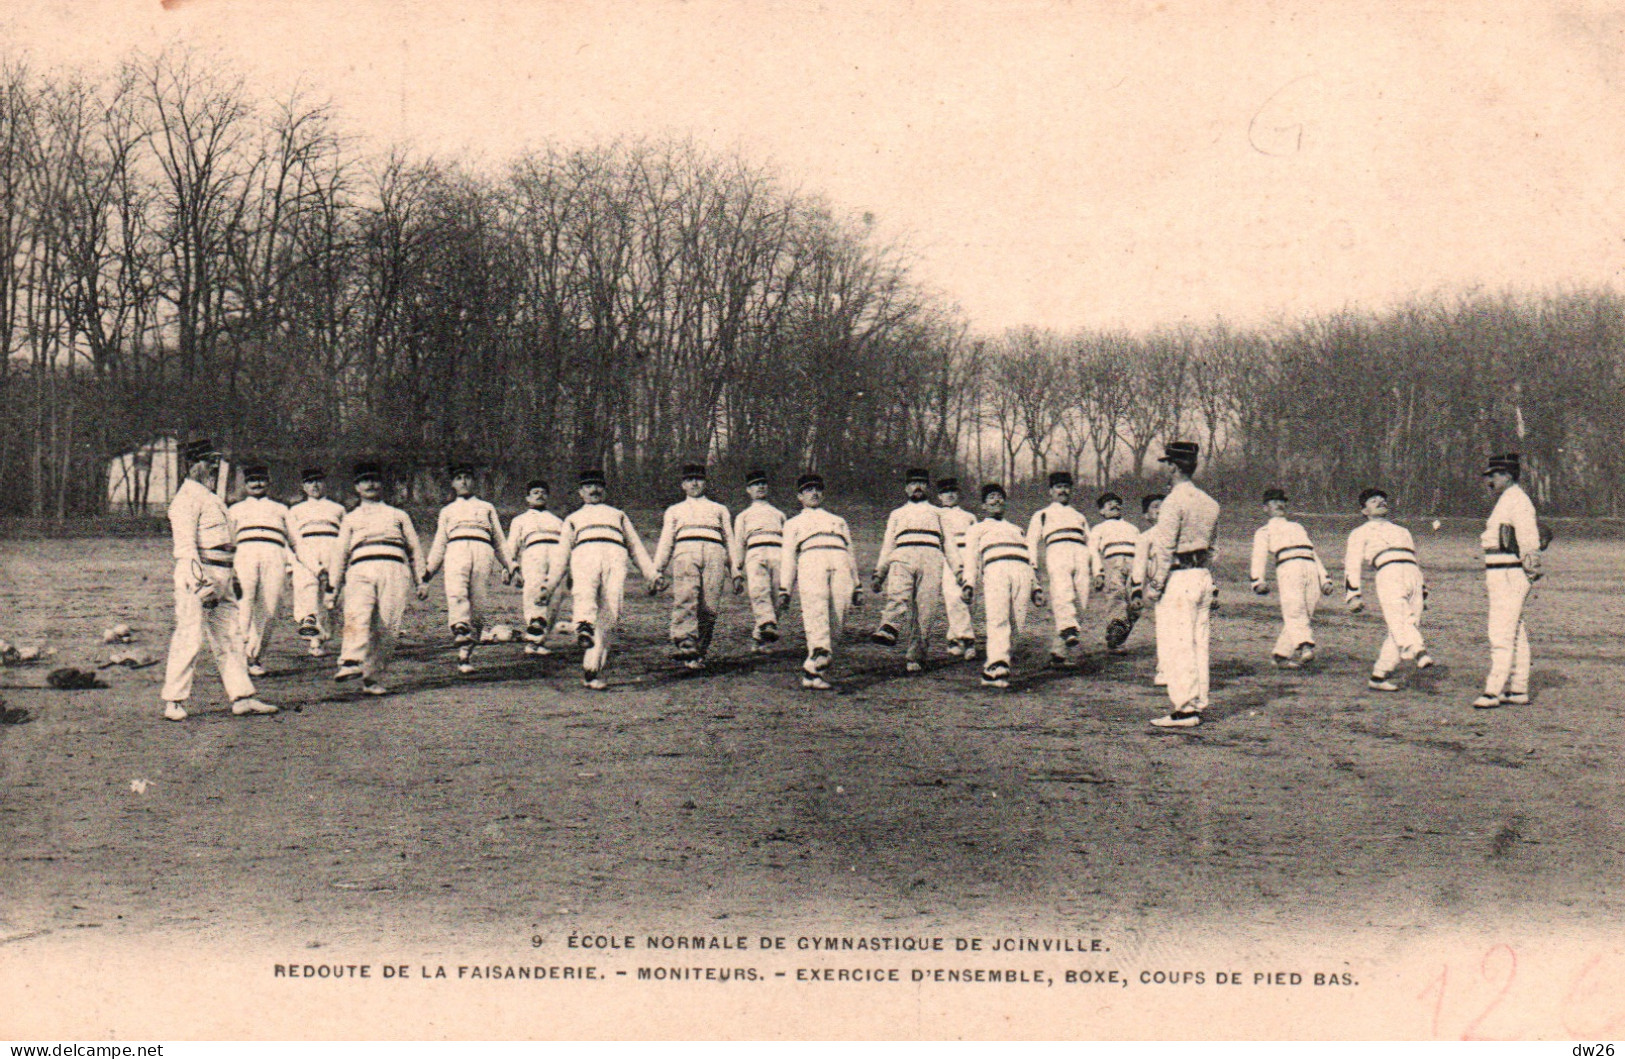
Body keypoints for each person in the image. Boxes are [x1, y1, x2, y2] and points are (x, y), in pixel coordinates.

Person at [159, 439, 277, 721]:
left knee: (231, 637)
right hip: (199, 576)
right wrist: (202, 584)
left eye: (214, 461)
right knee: (190, 637)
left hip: (223, 573)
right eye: (206, 461)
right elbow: (186, 549)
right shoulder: (185, 499)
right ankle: (173, 701)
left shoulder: (212, 497)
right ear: (191, 464)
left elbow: (226, 543)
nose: (212, 466)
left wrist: (233, 577)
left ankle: (242, 696)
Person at [543, 469, 661, 690]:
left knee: (611, 613)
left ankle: (592, 669)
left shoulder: (618, 515)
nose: (594, 490)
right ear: (580, 492)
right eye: (588, 486)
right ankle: (583, 626)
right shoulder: (573, 518)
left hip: (615, 558)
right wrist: (548, 588)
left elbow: (635, 546)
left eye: (598, 486)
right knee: (584, 594)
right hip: (585, 554)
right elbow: (561, 557)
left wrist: (651, 574)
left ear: (605, 491)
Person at [1131, 442, 1220, 729]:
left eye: (1167, 463)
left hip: (1179, 577)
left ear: (1174, 466)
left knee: (1179, 643)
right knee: (1198, 643)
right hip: (1202, 575)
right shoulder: (1209, 502)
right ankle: (1196, 703)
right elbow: (1213, 549)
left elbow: (1165, 547)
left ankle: (1184, 709)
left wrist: (1155, 586)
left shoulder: (1172, 501)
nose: (1165, 468)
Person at [331, 462, 429, 696]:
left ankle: (371, 677)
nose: (371, 484)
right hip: (361, 567)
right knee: (358, 612)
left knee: (388, 626)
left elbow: (414, 549)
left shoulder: (398, 515)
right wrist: (333, 589)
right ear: (356, 487)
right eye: (365, 480)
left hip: (394, 569)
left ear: (382, 485)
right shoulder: (351, 518)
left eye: (375, 480)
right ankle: (350, 661)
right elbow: (340, 555)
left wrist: (421, 580)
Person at [776, 472, 863, 690]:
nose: (813, 493)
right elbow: (788, 557)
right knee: (816, 608)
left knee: (838, 616)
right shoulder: (793, 523)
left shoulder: (838, 521)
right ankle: (819, 651)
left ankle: (813, 670)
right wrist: (785, 589)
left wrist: (857, 584)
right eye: (808, 490)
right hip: (811, 560)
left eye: (817, 489)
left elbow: (850, 552)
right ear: (800, 496)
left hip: (840, 562)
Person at [424, 463, 512, 675]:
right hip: (456, 550)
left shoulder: (486, 507)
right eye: (459, 478)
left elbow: (499, 541)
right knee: (457, 591)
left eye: (467, 477)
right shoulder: (447, 511)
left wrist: (511, 565)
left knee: (478, 603)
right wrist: (427, 573)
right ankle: (459, 625)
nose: (463, 481)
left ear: (474, 481)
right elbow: (439, 544)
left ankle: (465, 655)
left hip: (482, 551)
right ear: (453, 483)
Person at [1343, 487, 1433, 692]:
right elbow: (1352, 564)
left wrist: (1423, 591)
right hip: (1388, 573)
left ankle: (1379, 675)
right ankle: (1418, 651)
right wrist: (1353, 595)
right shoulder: (1360, 532)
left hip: (1411, 575)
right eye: (1374, 501)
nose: (1380, 502)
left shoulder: (1403, 531)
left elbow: (1415, 561)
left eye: (1383, 500)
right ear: (1364, 511)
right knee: (1401, 619)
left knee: (1401, 627)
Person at [652, 463, 738, 669]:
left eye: (698, 479)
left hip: (714, 553)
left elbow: (730, 541)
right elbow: (666, 541)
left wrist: (735, 570)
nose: (694, 483)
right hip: (685, 551)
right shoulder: (674, 510)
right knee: (686, 596)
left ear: (705, 483)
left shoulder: (719, 509)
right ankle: (685, 641)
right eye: (690, 480)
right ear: (683, 485)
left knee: (709, 605)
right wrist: (656, 570)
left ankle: (699, 651)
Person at [1476, 453, 1544, 709]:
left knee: (1500, 631)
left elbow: (1528, 536)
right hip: (1501, 569)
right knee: (1515, 632)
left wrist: (1531, 566)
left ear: (1507, 475)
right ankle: (1518, 689)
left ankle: (1493, 691)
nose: (1490, 480)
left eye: (1493, 475)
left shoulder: (1517, 500)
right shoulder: (1508, 499)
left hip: (1508, 570)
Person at [960, 482, 1039, 688]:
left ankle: (991, 670)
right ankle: (998, 663)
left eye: (1000, 496)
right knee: (998, 617)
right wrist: (969, 583)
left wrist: (1035, 587)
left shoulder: (1017, 529)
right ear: (984, 506)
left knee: (1017, 624)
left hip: (1021, 573)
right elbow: (971, 560)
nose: (997, 500)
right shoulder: (976, 529)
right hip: (995, 571)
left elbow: (1028, 559)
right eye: (991, 497)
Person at [871, 468, 947, 672]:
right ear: (906, 488)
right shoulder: (897, 514)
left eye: (922, 483)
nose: (918, 487)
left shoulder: (939, 513)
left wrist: (958, 572)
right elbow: (888, 545)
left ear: (928, 488)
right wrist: (880, 572)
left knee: (926, 609)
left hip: (931, 558)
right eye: (913, 483)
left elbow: (950, 547)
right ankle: (889, 626)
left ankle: (916, 655)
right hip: (903, 555)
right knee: (898, 593)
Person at [1249, 488, 1334, 669]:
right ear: (1265, 508)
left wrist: (1325, 578)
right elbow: (1259, 556)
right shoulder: (1264, 531)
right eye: (1273, 502)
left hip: (1309, 566)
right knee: (1295, 609)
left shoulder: (1297, 527)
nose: (1279, 504)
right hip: (1288, 567)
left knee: (1307, 610)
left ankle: (1281, 654)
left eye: (1282, 501)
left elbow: (1312, 553)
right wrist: (1258, 580)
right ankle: (1305, 646)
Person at [1026, 471, 1098, 668]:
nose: (1063, 490)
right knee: (1062, 592)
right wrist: (1032, 565)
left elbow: (1091, 543)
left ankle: (1059, 652)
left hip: (1080, 553)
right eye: (1059, 487)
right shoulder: (1042, 514)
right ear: (1051, 491)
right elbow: (1031, 541)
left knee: (1080, 600)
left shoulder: (1079, 516)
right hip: (1057, 551)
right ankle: (1067, 629)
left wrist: (1097, 569)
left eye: (1066, 487)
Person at [287, 467, 346, 658]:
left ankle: (324, 636)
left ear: (325, 483)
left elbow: (345, 537)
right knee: (308, 590)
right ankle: (314, 639)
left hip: (331, 549)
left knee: (329, 597)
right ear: (304, 487)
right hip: (306, 551)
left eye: (318, 481)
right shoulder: (296, 510)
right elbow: (291, 539)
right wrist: (290, 565)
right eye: (310, 482)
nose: (315, 486)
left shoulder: (338, 509)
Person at [505, 479, 567, 656]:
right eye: (535, 492)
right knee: (534, 590)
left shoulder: (558, 521)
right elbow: (512, 545)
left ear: (547, 496)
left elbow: (567, 545)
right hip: (534, 553)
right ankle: (533, 633)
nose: (539, 495)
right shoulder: (520, 520)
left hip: (557, 556)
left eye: (543, 492)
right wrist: (510, 568)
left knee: (555, 597)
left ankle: (539, 641)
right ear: (527, 498)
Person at [731, 468, 786, 652]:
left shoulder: (779, 514)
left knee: (778, 596)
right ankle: (766, 624)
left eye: (763, 483)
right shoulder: (743, 516)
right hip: (755, 552)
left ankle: (759, 637)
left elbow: (788, 540)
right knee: (759, 590)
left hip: (778, 553)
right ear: (748, 490)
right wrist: (736, 570)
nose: (760, 487)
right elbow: (738, 543)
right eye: (755, 484)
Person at [1091, 492, 1139, 654]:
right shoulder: (1098, 529)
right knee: (1116, 598)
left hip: (1134, 563)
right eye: (1108, 504)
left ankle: (1117, 636)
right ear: (1101, 511)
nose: (1114, 505)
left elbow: (1142, 550)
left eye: (1117, 503)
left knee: (1136, 603)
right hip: (1112, 563)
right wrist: (1098, 573)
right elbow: (1092, 552)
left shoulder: (1133, 528)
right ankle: (1116, 641)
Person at [935, 477, 978, 660]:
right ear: (939, 496)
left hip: (967, 555)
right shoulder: (936, 515)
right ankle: (968, 640)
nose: (950, 495)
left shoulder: (969, 517)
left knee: (968, 599)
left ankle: (954, 638)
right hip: (946, 558)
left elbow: (976, 541)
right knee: (953, 598)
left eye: (953, 491)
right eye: (945, 492)